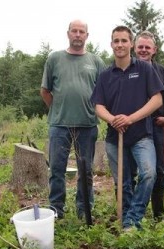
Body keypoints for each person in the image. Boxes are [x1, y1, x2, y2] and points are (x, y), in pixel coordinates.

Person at [91, 25, 164, 230]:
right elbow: (98, 105)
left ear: (131, 43)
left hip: (142, 135)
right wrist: (113, 119)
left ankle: (132, 217)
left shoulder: (144, 69)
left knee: (149, 173)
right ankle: (127, 224)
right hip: (115, 138)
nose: (120, 45)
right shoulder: (106, 75)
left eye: (124, 40)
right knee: (123, 182)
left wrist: (130, 118)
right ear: (111, 44)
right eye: (116, 41)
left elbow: (157, 99)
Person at [40, 19, 105, 219]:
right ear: (68, 34)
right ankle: (56, 210)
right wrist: (59, 109)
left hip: (87, 125)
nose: (78, 34)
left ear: (87, 36)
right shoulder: (54, 59)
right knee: (57, 169)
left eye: (81, 31)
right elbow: (45, 91)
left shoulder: (96, 61)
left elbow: (103, 93)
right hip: (59, 125)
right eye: (74, 31)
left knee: (85, 171)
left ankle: (84, 210)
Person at [133, 31, 164, 219]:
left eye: (147, 47)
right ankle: (131, 212)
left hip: (157, 128)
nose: (143, 50)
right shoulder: (127, 70)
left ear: (154, 50)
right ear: (134, 48)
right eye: (140, 46)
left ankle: (158, 214)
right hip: (132, 127)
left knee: (158, 171)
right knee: (132, 173)